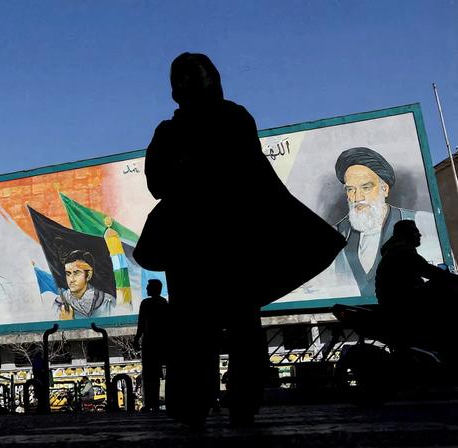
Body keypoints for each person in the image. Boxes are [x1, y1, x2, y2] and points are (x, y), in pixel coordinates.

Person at [141, 53, 344, 428]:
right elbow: (156, 182)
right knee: (194, 325)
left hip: (234, 238)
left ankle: (242, 401)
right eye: (180, 78)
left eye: (195, 76)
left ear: (212, 79)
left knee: (239, 320)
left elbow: (252, 174)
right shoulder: (168, 132)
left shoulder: (234, 118)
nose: (188, 84)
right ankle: (194, 405)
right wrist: (188, 169)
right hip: (189, 242)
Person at [333, 147, 440, 296]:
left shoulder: (423, 222)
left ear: (385, 189)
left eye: (366, 187)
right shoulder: (336, 234)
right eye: (350, 189)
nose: (357, 197)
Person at [375, 220, 458, 352]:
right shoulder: (401, 252)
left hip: (398, 305)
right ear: (406, 234)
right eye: (415, 231)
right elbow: (430, 272)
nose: (419, 235)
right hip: (404, 306)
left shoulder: (394, 251)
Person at [133, 279, 168, 412]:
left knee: (149, 374)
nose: (146, 289)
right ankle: (155, 403)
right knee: (156, 374)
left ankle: (150, 403)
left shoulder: (146, 303)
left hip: (150, 342)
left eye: (148, 287)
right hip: (161, 343)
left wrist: (137, 338)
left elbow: (141, 324)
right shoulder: (164, 303)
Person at [54, 250, 115, 319]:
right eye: (68, 274)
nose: (71, 279)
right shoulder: (58, 303)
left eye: (76, 273)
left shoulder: (107, 303)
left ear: (88, 275)